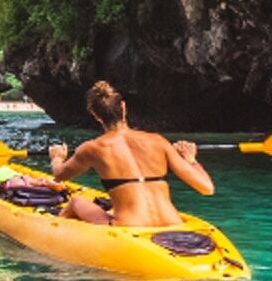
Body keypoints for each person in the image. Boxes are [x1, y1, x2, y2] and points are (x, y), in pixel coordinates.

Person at [45, 80, 213, 226]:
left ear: (95, 115)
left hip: (129, 225)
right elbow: (207, 188)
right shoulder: (158, 141)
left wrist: (57, 158)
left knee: (75, 201)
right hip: (172, 222)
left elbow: (59, 175)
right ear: (123, 108)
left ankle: (57, 234)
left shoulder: (92, 148)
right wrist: (191, 159)